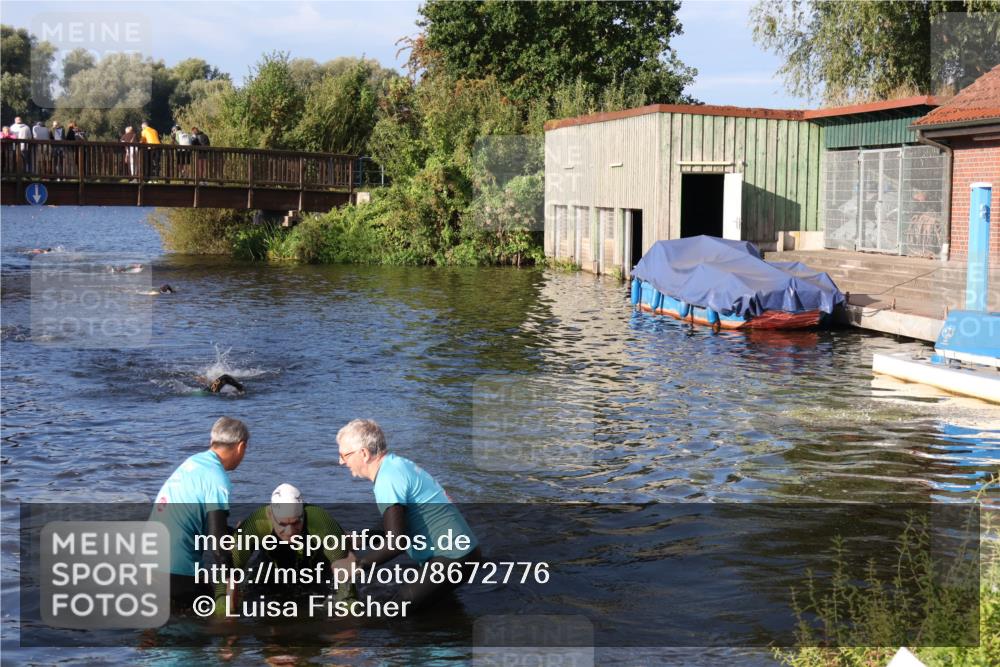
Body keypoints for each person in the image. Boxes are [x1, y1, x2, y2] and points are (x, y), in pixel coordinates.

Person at [332, 419, 481, 609]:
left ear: (364, 453)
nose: (341, 462)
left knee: (394, 612)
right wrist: (362, 539)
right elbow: (397, 522)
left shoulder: (387, 479)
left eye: (344, 455)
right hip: (463, 554)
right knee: (436, 610)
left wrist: (358, 565)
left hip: (453, 558)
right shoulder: (396, 465)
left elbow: (397, 542)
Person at [151, 416, 249, 611]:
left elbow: (195, 519)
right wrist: (231, 583)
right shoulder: (216, 477)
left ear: (212, 442)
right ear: (241, 447)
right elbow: (217, 546)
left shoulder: (191, 463)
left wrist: (228, 532)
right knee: (207, 618)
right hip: (175, 570)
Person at [214, 483, 355, 617]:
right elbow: (228, 572)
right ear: (270, 515)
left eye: (296, 523)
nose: (290, 532)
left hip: (316, 570)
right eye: (282, 524)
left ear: (303, 514)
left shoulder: (320, 521)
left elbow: (346, 578)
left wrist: (348, 616)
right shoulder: (256, 524)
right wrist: (225, 616)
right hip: (270, 570)